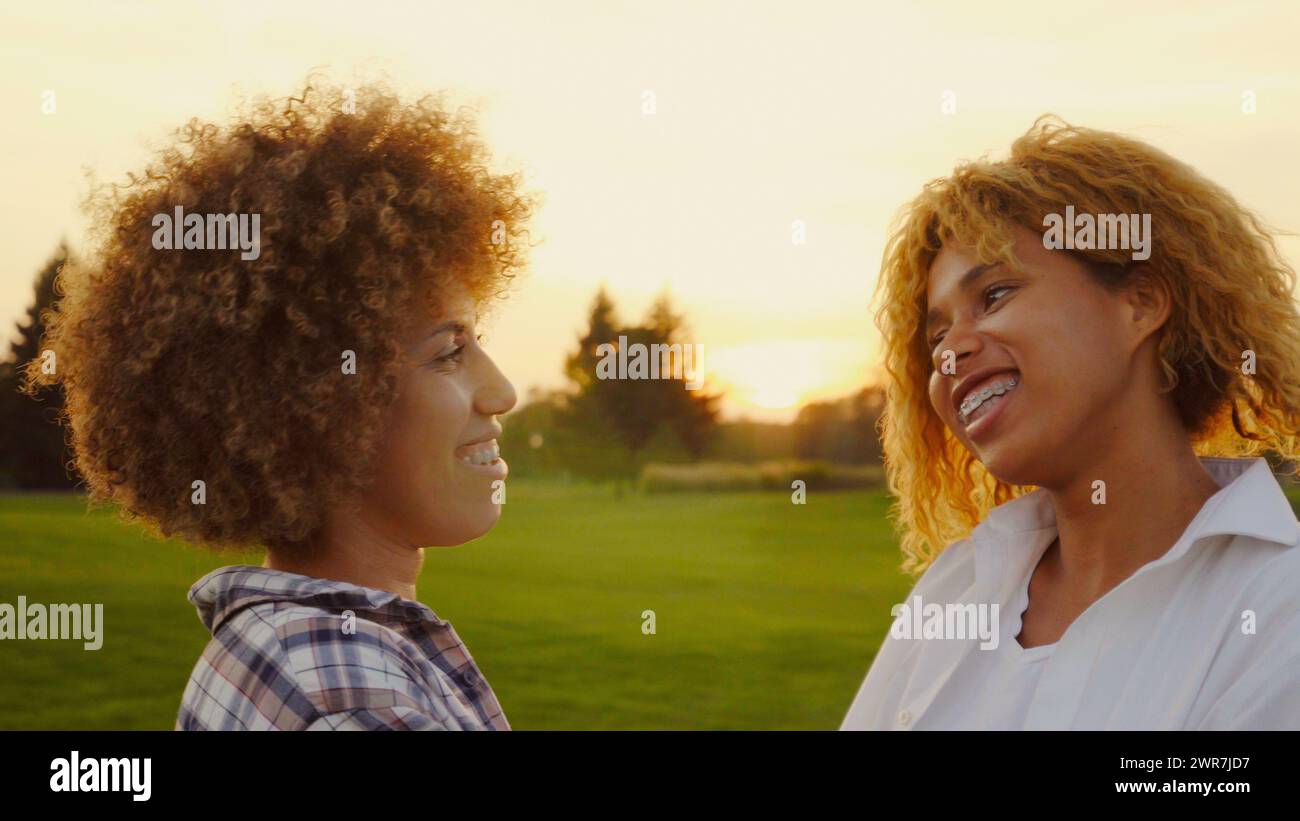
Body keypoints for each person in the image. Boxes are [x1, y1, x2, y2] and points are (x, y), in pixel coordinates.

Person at [28, 78, 533, 730]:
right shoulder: (359, 704)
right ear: (315, 407)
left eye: (476, 342)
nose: (502, 393)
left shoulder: (263, 645)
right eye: (446, 353)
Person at [842, 116, 1300, 730]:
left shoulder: (1278, 603)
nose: (951, 353)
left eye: (996, 295)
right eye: (937, 337)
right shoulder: (954, 588)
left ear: (1139, 305)